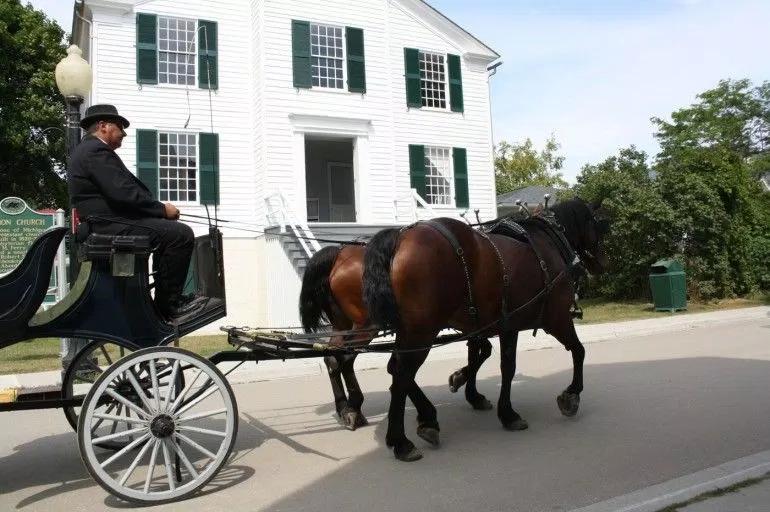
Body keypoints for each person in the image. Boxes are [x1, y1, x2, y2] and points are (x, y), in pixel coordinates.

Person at [67, 104, 204, 319]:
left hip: (108, 224)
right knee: (179, 234)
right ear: (103, 126)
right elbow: (122, 193)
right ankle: (169, 307)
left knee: (170, 232)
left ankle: (162, 303)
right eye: (120, 127)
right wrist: (161, 209)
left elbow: (120, 193)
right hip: (109, 226)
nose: (124, 133)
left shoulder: (89, 151)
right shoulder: (95, 151)